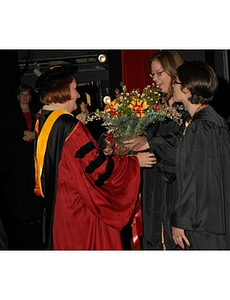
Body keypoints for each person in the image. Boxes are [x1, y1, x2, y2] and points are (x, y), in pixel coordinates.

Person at [33, 64, 157, 250]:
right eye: (74, 89)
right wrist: (133, 162)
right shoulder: (69, 126)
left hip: (60, 207)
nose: (78, 95)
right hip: (81, 210)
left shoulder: (44, 121)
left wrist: (102, 150)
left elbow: (77, 162)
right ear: (62, 91)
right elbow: (96, 168)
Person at [171, 61, 230, 250]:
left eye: (175, 82)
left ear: (187, 90)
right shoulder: (210, 120)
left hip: (204, 222)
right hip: (219, 216)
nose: (172, 86)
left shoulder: (202, 127)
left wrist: (180, 220)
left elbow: (196, 179)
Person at [123, 50, 190, 250]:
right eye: (152, 75)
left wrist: (148, 142)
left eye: (159, 73)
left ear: (173, 72)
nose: (154, 79)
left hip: (176, 188)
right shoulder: (153, 108)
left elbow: (183, 148)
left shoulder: (185, 106)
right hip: (152, 187)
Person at [2, 84, 44, 249]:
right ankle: (25, 216)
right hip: (19, 155)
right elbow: (12, 132)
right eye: (22, 94)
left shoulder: (36, 113)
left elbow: (38, 132)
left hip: (33, 154)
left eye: (27, 94)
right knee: (22, 184)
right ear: (18, 97)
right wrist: (24, 135)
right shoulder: (12, 114)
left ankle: (37, 214)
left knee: (35, 183)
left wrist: (33, 135)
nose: (25, 97)